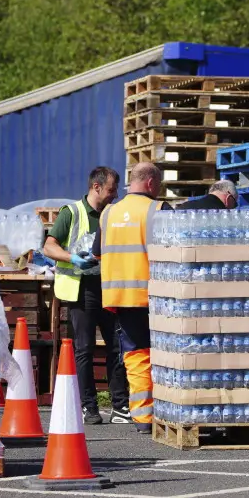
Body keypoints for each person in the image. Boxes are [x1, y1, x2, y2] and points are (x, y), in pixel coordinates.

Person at [42, 167, 129, 425]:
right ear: (97, 187)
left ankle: (120, 406)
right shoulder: (72, 213)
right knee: (85, 348)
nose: (115, 195)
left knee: (116, 346)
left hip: (109, 287)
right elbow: (48, 246)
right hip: (82, 289)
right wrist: (72, 258)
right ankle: (88, 407)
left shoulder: (112, 215)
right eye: (112, 190)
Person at [92, 162, 170, 433]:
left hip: (119, 297)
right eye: (158, 185)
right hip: (156, 297)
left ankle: (142, 417)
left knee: (135, 354)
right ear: (150, 183)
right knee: (166, 355)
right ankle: (165, 411)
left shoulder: (108, 213)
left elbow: (97, 253)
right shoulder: (157, 210)